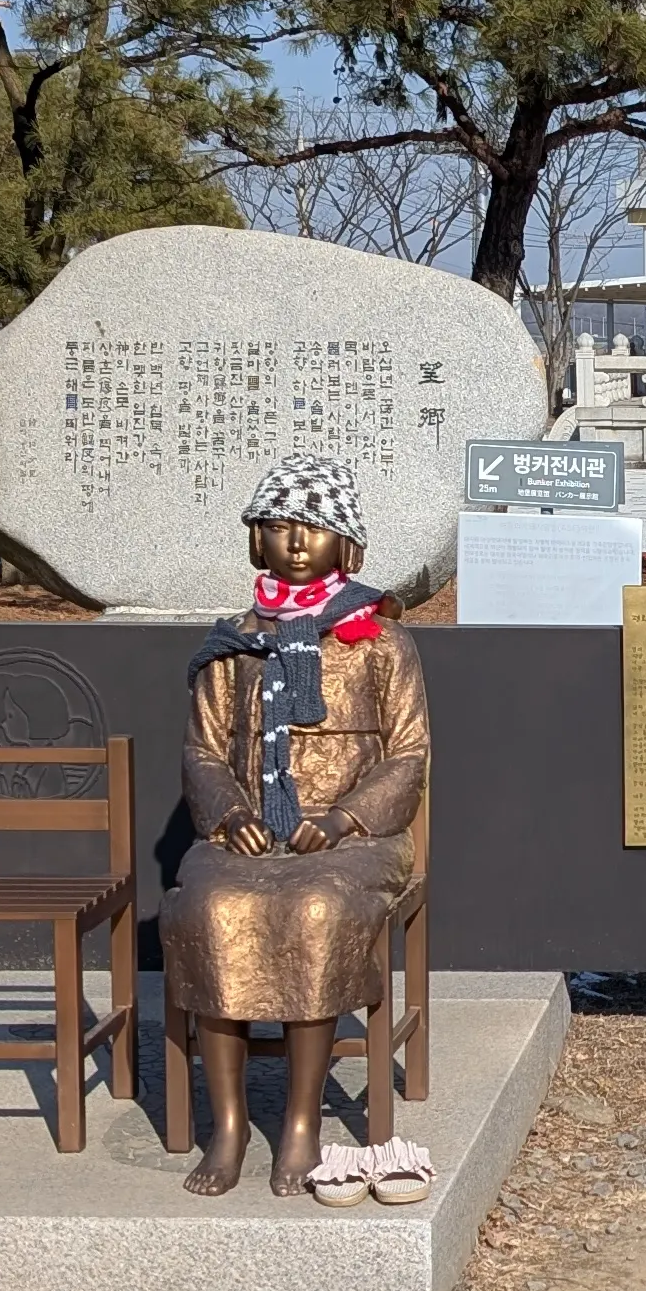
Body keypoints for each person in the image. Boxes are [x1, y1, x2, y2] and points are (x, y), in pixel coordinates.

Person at [162, 456, 430, 1201]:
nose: (298, 542)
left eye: (315, 528)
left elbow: (409, 754)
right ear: (258, 540)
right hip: (245, 835)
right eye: (280, 527)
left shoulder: (381, 641)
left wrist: (345, 818)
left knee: (314, 911)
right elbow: (202, 750)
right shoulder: (234, 643)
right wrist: (230, 813)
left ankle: (302, 1123)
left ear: (348, 544)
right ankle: (228, 1124)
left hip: (355, 840)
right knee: (211, 908)